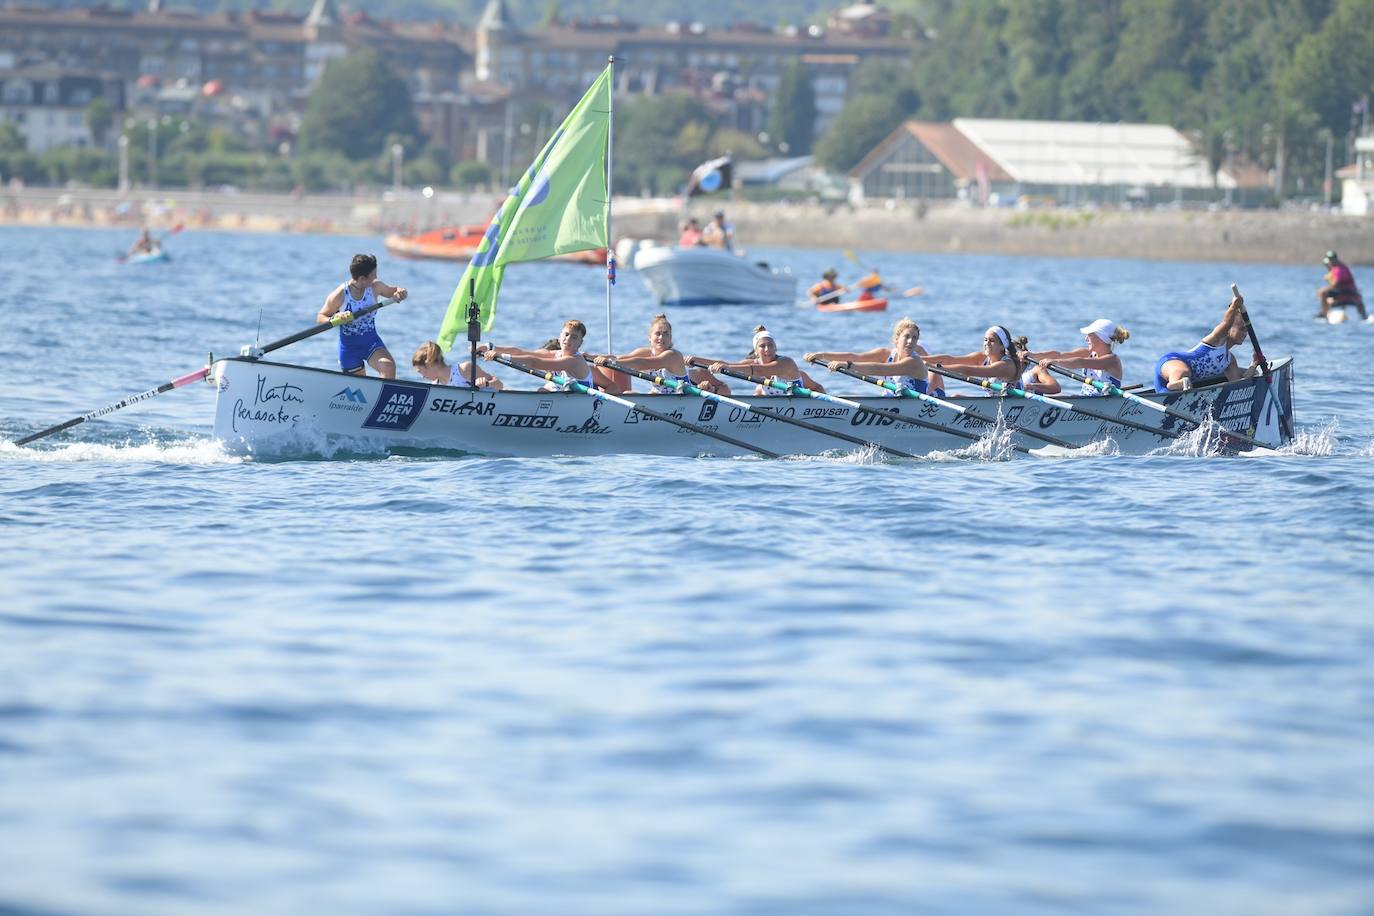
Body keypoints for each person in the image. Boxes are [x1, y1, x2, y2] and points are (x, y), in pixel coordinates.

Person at [317, 253, 407, 378]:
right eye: (373, 275)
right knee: (358, 387)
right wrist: (335, 318)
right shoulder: (339, 294)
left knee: (388, 367)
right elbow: (320, 317)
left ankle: (385, 391)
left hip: (371, 343)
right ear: (362, 279)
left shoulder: (375, 287)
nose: (376, 277)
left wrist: (401, 293)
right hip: (349, 349)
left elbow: (395, 291)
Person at [1153, 290, 1259, 392]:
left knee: (1183, 380)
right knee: (1185, 372)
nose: (1245, 333)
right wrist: (1234, 306)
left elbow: (1238, 385)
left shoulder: (1229, 360)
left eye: (1246, 330)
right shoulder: (1218, 340)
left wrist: (1254, 364)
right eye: (1241, 329)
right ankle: (1175, 383)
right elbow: (1226, 323)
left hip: (1175, 386)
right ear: (1228, 330)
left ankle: (1178, 384)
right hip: (1171, 362)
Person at [805, 317, 931, 396]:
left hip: (913, 410)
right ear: (897, 339)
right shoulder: (884, 354)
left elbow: (879, 369)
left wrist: (847, 365)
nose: (910, 341)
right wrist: (822, 355)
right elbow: (855, 357)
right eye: (907, 336)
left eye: (914, 338)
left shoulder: (914, 362)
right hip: (892, 404)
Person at [690, 326, 825, 396]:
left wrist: (726, 368)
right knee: (758, 392)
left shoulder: (786, 363)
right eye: (762, 346)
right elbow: (726, 363)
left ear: (776, 347)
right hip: (781, 406)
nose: (767, 349)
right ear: (755, 351)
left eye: (771, 345)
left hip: (808, 403)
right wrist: (695, 359)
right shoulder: (754, 363)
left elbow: (759, 371)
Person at [590, 313, 703, 395]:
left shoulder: (673, 355)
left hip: (681, 399)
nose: (661, 337)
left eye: (666, 334)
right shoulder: (645, 352)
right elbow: (620, 358)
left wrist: (613, 362)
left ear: (670, 337)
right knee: (628, 394)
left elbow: (641, 363)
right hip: (658, 396)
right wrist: (593, 357)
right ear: (649, 337)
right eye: (657, 334)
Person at [480, 319, 595, 391]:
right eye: (566, 334)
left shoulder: (574, 361)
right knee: (544, 390)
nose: (568, 339)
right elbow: (521, 352)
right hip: (567, 398)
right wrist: (490, 347)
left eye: (574, 337)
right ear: (560, 336)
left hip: (581, 403)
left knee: (544, 390)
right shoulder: (555, 354)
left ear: (580, 343)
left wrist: (501, 356)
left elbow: (534, 362)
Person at [1026, 318, 1131, 396]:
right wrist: (1032, 355)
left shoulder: (1112, 360)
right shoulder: (1087, 353)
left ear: (1100, 337)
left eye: (1089, 335)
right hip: (1086, 400)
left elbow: (1081, 362)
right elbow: (1059, 355)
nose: (1086, 338)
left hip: (1103, 404)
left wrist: (1055, 362)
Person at [920, 326, 1028, 392]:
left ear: (1002, 346)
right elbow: (949, 359)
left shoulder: (1006, 366)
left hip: (1014, 409)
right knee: (956, 396)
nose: (987, 343)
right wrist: (919, 359)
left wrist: (936, 368)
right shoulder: (982, 357)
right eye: (985, 340)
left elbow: (967, 370)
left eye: (992, 341)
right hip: (994, 405)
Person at [411, 340, 503, 390]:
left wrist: (487, 384)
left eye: (420, 371)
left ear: (429, 364)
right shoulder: (436, 385)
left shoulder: (464, 369)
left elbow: (499, 384)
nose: (422, 376)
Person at [1316, 250, 1366, 320]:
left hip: (1347, 291)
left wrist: (1324, 289)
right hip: (1344, 291)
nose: (1328, 265)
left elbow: (1337, 283)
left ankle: (1324, 313)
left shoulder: (1339, 269)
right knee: (1323, 293)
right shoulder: (1336, 268)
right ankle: (1327, 311)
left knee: (1322, 292)